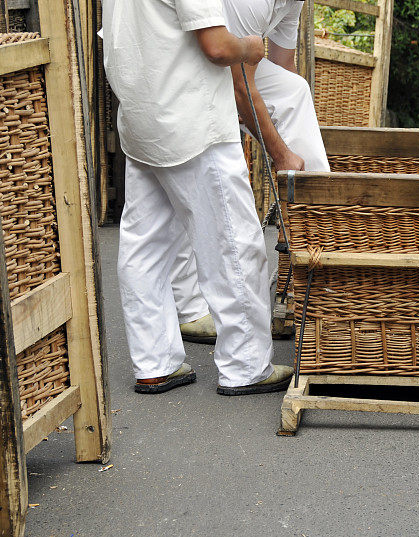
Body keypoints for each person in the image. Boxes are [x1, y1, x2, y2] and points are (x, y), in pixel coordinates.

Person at [102, 0, 293, 395]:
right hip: (192, 119)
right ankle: (245, 367)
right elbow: (218, 47)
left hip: (143, 119)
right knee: (236, 246)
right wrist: (251, 48)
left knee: (145, 247)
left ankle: (154, 364)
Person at [172, 0, 331, 344]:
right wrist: (278, 150)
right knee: (194, 177)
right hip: (184, 57)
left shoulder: (294, 3)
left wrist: (280, 142)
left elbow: (282, 68)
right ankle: (189, 305)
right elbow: (237, 78)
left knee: (295, 90)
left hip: (228, 61)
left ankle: (316, 222)